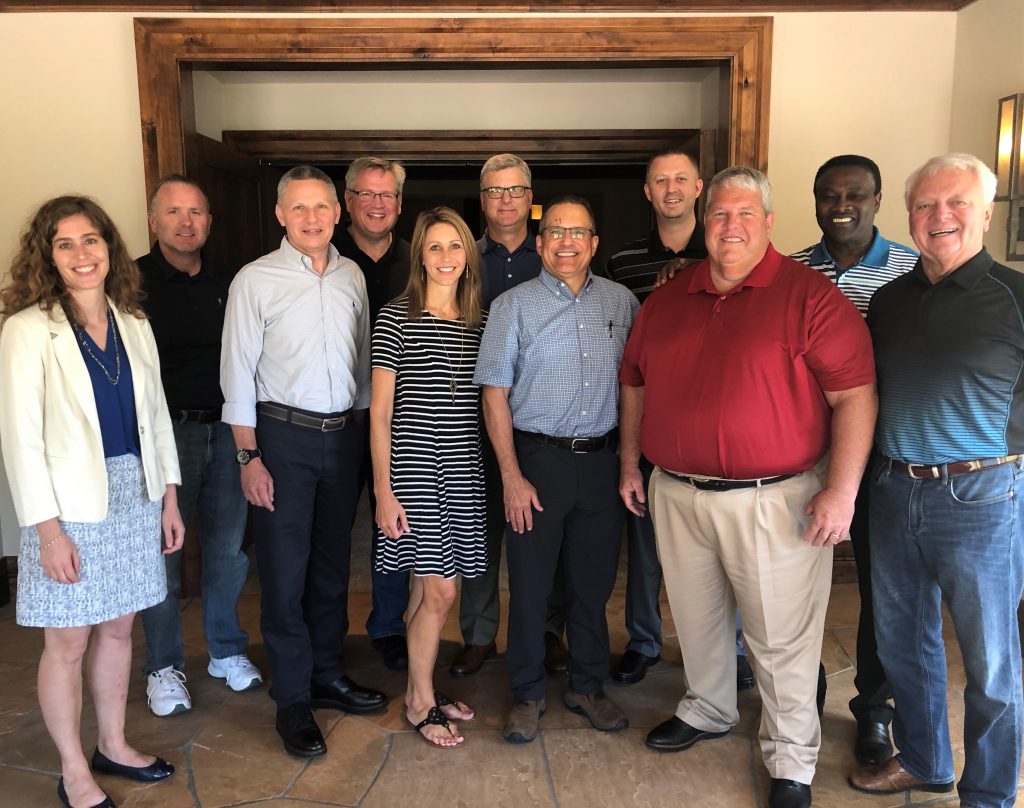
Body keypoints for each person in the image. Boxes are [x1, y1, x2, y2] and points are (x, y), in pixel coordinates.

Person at [619, 167, 876, 808]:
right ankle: (708, 708)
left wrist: (841, 492)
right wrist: (631, 463)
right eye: (719, 215)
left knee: (780, 636)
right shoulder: (667, 299)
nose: (730, 226)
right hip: (677, 492)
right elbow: (635, 384)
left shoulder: (811, 297)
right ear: (704, 224)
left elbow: (855, 397)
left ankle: (790, 760)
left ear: (767, 222)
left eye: (744, 214)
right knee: (698, 620)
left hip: (775, 498)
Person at [848, 154, 1024, 808]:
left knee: (992, 664)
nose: (939, 216)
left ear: (984, 211)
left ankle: (988, 794)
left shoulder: (1015, 295)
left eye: (955, 203)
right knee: (903, 644)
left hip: (981, 497)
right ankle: (923, 759)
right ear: (909, 216)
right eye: (925, 205)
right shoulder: (888, 302)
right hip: (893, 491)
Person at [0, 196, 185, 808]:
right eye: (65, 244)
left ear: (110, 247)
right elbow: (20, 440)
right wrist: (48, 533)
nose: (82, 254)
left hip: (135, 492)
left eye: (92, 240)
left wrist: (170, 499)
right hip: (69, 509)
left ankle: (113, 744)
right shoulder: (28, 330)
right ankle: (74, 768)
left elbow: (156, 417)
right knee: (68, 643)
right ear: (47, 257)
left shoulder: (133, 321)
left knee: (118, 631)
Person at [221, 165, 386, 759]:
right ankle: (292, 701)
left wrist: (368, 443)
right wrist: (249, 456)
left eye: (321, 207)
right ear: (280, 215)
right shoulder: (254, 280)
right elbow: (237, 375)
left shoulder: (351, 278)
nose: (312, 218)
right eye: (299, 208)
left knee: (331, 567)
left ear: (338, 212)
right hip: (281, 439)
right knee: (285, 574)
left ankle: (326, 674)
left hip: (342, 439)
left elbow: (364, 360)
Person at [475, 196, 639, 744]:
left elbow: (632, 387)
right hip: (536, 463)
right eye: (556, 233)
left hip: (601, 462)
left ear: (594, 244)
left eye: (579, 234)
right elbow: (493, 396)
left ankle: (587, 686)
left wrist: (628, 463)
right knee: (529, 583)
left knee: (592, 587)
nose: (567, 242)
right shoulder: (512, 307)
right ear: (541, 244)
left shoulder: (621, 301)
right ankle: (525, 693)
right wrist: (511, 477)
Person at [790, 154, 917, 763]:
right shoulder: (789, 270)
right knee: (792, 587)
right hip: (801, 457)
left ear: (877, 198)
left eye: (855, 195)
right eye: (828, 195)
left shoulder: (913, 271)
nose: (841, 206)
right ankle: (800, 695)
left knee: (881, 591)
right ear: (815, 200)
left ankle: (874, 711)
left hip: (883, 458)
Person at [138, 175, 262, 719]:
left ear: (209, 222)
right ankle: (163, 666)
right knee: (162, 555)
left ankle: (226, 650)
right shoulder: (131, 284)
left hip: (229, 429)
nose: (186, 222)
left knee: (228, 551)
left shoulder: (231, 283)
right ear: (153, 221)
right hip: (167, 436)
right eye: (174, 212)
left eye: (195, 212)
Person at [606, 147, 727, 687]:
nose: (671, 188)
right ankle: (644, 640)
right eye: (660, 181)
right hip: (650, 421)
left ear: (699, 188)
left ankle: (734, 652)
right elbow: (625, 354)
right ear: (648, 192)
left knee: (726, 550)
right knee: (646, 546)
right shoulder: (623, 261)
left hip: (718, 422)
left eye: (681, 179)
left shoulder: (729, 246)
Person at [371, 206, 487, 747]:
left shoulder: (479, 322)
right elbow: (380, 413)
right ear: (420, 254)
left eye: (455, 246)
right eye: (434, 246)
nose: (445, 257)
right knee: (438, 592)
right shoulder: (396, 316)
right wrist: (382, 489)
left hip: (463, 469)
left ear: (469, 254)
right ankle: (419, 703)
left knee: (433, 591)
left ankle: (424, 689)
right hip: (414, 472)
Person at [451, 152, 567, 678]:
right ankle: (478, 634)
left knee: (543, 534)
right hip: (473, 414)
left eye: (515, 190)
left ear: (531, 198)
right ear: (483, 201)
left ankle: (546, 630)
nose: (505, 200)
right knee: (480, 532)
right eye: (495, 191)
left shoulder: (558, 258)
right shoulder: (463, 260)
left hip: (545, 420)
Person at [334, 156, 412, 672]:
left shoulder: (420, 259)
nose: (377, 204)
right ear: (347, 203)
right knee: (333, 529)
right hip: (338, 420)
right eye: (366, 194)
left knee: (393, 529)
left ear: (400, 205)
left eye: (386, 196)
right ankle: (327, 631)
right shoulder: (323, 258)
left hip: (401, 419)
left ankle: (387, 625)